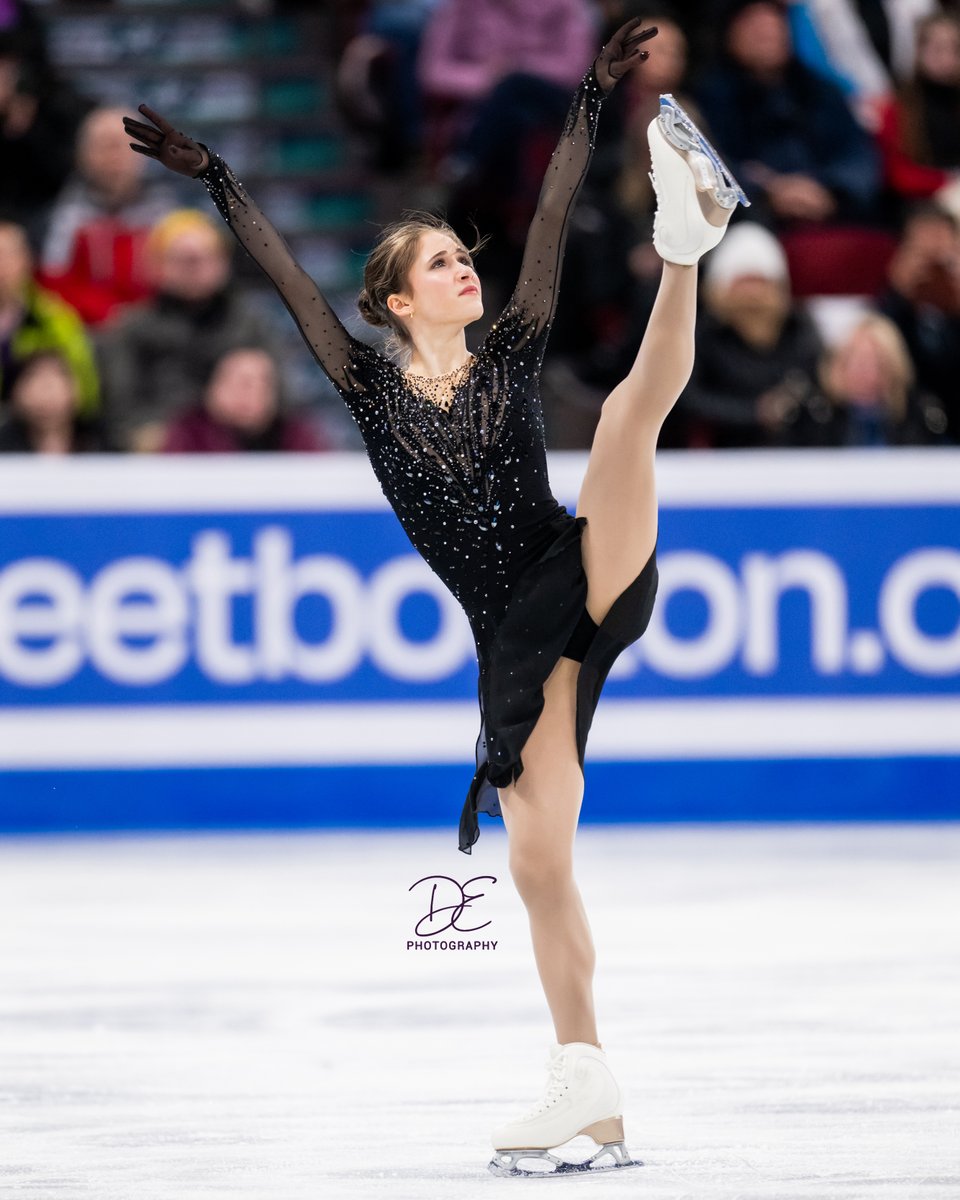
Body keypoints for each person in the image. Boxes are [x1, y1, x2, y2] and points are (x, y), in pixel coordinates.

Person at [123, 18, 748, 1176]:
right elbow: (284, 275)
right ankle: (589, 1089)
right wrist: (213, 175)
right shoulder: (364, 385)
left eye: (466, 258)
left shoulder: (513, 348)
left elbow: (552, 211)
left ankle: (684, 245)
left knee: (623, 419)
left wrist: (589, 100)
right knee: (540, 868)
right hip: (515, 648)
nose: (467, 268)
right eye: (441, 266)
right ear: (398, 303)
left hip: (588, 564)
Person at [96, 209, 282, 452]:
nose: (195, 268)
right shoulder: (130, 329)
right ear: (157, 264)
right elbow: (118, 409)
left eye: (206, 257)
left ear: (223, 262)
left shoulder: (252, 324)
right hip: (159, 455)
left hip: (241, 448)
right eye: (184, 259)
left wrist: (254, 409)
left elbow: (281, 398)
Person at [39, 106, 179, 326]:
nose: (114, 157)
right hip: (86, 330)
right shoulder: (65, 215)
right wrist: (105, 312)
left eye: (124, 146)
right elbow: (54, 284)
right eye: (104, 147)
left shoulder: (164, 211)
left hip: (156, 330)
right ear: (82, 156)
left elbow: (181, 280)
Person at [0, 220, 99, 415]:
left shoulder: (55, 319)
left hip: (32, 428)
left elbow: (85, 392)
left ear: (27, 261)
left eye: (6, 256)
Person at [162, 346, 330, 453]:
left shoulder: (296, 433)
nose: (254, 393)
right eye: (244, 383)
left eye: (264, 384)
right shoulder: (188, 433)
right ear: (214, 387)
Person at [0, 350, 108, 454]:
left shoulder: (101, 445)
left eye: (60, 373)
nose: (46, 387)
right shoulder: (5, 446)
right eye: (32, 374)